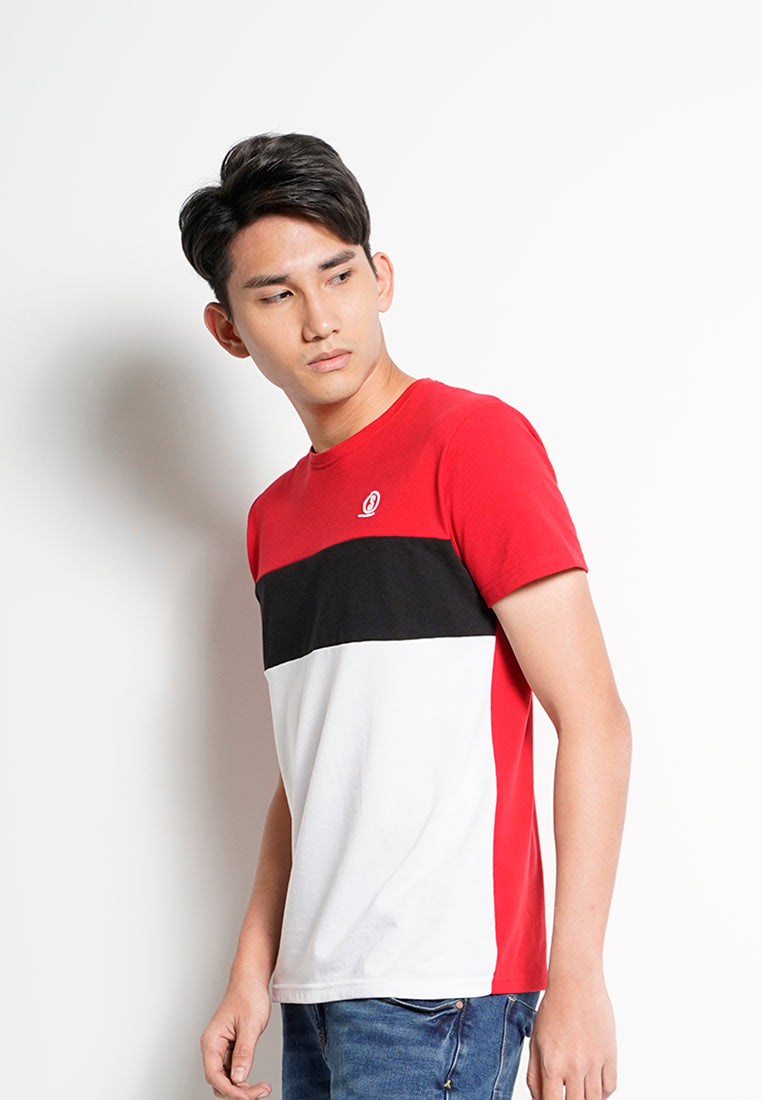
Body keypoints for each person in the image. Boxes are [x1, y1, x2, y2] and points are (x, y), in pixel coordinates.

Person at [179, 133, 631, 1100]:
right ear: (228, 330)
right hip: (316, 989)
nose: (320, 319)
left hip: (442, 989)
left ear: (381, 278)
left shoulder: (472, 445)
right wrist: (253, 968)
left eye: (338, 275)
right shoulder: (272, 520)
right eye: (276, 296)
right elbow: (312, 764)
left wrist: (578, 978)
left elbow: (593, 718)